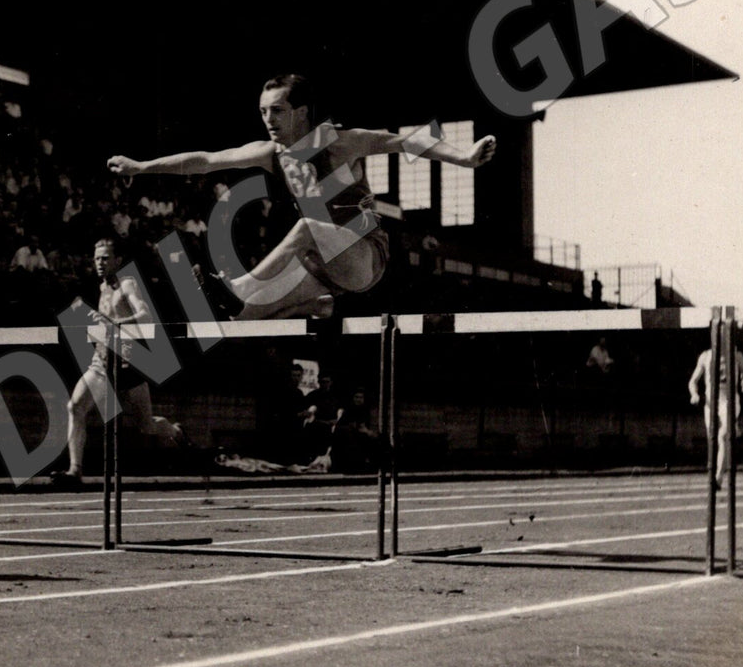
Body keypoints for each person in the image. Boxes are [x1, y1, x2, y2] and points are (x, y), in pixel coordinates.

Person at [107, 74, 496, 319]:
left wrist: (464, 157)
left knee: (306, 227)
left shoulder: (340, 143)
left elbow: (404, 140)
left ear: (303, 112)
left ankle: (234, 287)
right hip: (319, 267)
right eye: (263, 112)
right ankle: (311, 307)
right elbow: (207, 160)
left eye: (277, 111)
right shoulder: (270, 153)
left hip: (364, 255)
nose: (268, 120)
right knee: (243, 319)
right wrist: (141, 167)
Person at [58, 238, 188, 483]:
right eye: (97, 258)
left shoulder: (127, 284)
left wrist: (116, 325)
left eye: (105, 258)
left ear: (118, 261)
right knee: (75, 407)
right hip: (102, 361)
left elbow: (145, 315)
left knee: (146, 425)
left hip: (129, 363)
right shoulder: (101, 289)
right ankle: (75, 470)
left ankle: (176, 431)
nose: (100, 263)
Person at [688, 342, 743, 484]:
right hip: (711, 402)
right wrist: (694, 394)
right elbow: (693, 381)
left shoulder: (737, 355)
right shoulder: (705, 356)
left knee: (723, 436)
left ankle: (718, 477)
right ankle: (733, 427)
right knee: (713, 439)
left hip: (729, 400)